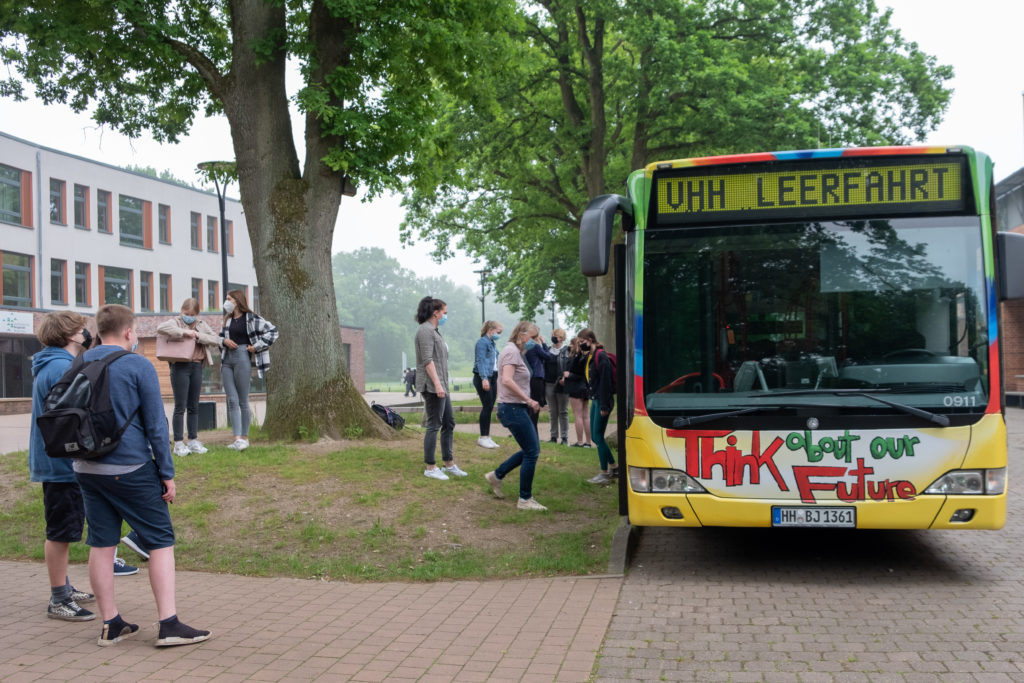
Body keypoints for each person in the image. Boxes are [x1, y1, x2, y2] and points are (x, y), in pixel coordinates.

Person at [74, 304, 210, 647]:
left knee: (101, 544)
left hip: (86, 468)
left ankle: (110, 623)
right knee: (161, 541)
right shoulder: (136, 364)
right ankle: (168, 624)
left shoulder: (79, 362)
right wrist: (167, 473)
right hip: (130, 467)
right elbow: (156, 424)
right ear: (129, 332)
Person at [484, 321, 547, 511]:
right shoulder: (511, 352)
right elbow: (507, 380)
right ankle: (525, 499)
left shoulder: (515, 351)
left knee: (531, 449)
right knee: (532, 451)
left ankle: (496, 475)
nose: (535, 341)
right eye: (533, 337)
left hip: (514, 407)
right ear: (522, 335)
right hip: (512, 408)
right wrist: (528, 400)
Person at [157, 298, 222, 457]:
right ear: (181, 311)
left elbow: (215, 339)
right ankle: (178, 443)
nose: (189, 317)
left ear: (197, 314)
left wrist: (198, 335)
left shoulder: (201, 324)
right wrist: (184, 332)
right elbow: (161, 328)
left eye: (192, 314)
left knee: (194, 405)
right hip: (180, 366)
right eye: (186, 313)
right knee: (180, 406)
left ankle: (193, 440)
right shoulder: (175, 322)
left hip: (197, 366)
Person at [414, 296, 467, 480]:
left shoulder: (435, 331)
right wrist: (437, 384)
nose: (446, 315)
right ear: (435, 313)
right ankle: (430, 467)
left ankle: (448, 463)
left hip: (442, 385)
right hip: (433, 386)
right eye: (444, 312)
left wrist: (443, 384)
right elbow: (428, 361)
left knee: (449, 422)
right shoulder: (425, 331)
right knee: (434, 425)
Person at [219, 289, 277, 451]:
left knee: (243, 400)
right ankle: (236, 438)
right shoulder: (227, 320)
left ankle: (244, 437)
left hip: (242, 357)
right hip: (226, 360)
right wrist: (224, 341)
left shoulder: (251, 318)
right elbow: (219, 338)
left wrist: (256, 347)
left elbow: (273, 331)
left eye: (229, 299)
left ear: (237, 301)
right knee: (231, 400)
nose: (226, 302)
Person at [579, 328, 617, 484]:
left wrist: (604, 405)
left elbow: (606, 382)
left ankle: (604, 473)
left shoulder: (600, 356)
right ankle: (614, 467)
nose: (581, 345)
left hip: (603, 400)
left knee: (598, 436)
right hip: (595, 399)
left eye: (582, 342)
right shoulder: (591, 356)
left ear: (590, 339)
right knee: (596, 436)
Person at [473, 320, 502, 449]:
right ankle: (483, 437)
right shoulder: (482, 342)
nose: (499, 335)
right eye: (498, 332)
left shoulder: (492, 344)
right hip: (484, 377)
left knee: (490, 406)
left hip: (493, 376)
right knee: (486, 405)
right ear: (490, 329)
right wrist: (484, 378)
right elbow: (480, 360)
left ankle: (487, 436)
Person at [563, 337, 593, 448]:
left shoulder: (576, 357)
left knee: (578, 416)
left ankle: (580, 442)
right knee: (586, 416)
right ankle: (588, 442)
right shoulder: (586, 357)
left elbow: (573, 371)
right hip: (585, 388)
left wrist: (568, 375)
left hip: (576, 388)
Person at [543, 329, 571, 445]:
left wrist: (565, 378)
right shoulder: (548, 350)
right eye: (553, 335)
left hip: (561, 384)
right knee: (552, 411)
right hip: (549, 383)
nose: (555, 338)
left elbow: (570, 366)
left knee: (563, 411)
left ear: (562, 338)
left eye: (558, 336)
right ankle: (553, 436)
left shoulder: (567, 350)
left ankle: (564, 437)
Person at [523, 330, 554, 432]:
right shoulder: (536, 346)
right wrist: (544, 343)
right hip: (537, 378)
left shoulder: (524, 347)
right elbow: (548, 356)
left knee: (528, 404)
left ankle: (527, 429)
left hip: (528, 378)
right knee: (535, 405)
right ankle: (533, 430)